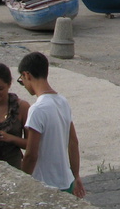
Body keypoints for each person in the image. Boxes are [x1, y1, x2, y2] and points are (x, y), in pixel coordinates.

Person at [17, 51, 84, 197]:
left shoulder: (37, 109)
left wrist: (23, 182)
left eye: (21, 80)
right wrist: (76, 175)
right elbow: (73, 142)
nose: (24, 85)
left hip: (45, 183)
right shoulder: (63, 102)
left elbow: (31, 155)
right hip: (66, 180)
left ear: (27, 75)